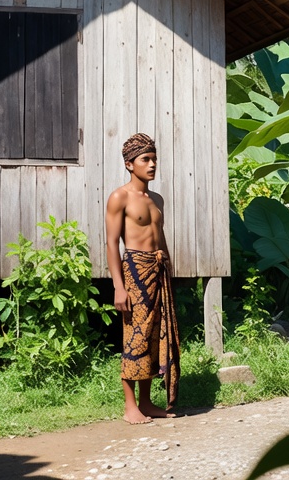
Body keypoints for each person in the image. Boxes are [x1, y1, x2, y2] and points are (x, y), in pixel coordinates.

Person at [105, 132, 180, 424]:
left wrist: (168, 269)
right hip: (134, 270)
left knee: (153, 337)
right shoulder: (119, 197)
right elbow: (112, 243)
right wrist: (118, 287)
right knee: (134, 336)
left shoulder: (157, 199)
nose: (152, 165)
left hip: (157, 270)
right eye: (145, 159)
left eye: (154, 159)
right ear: (129, 164)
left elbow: (160, 238)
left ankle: (147, 402)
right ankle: (129, 406)